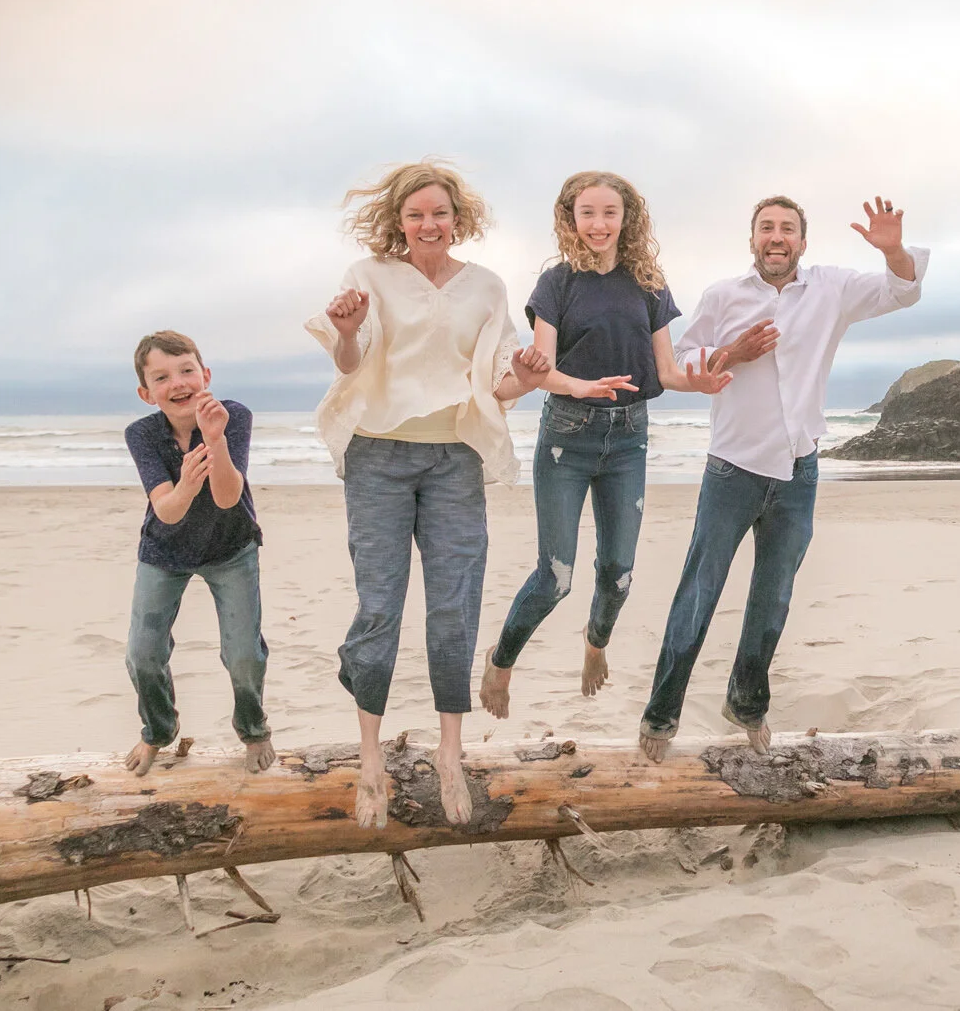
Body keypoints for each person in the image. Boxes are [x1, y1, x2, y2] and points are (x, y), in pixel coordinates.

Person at [638, 194, 926, 762]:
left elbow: (902, 291)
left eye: (787, 229)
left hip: (800, 470)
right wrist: (733, 351)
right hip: (732, 469)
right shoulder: (723, 296)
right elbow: (678, 366)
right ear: (752, 240)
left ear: (802, 240)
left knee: (773, 598)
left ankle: (747, 703)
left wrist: (893, 250)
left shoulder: (831, 288)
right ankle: (661, 713)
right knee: (699, 592)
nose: (777, 237)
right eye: (766, 228)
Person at [306, 160, 547, 829]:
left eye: (439, 212)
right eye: (415, 214)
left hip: (455, 459)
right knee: (379, 606)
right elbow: (351, 362)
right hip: (378, 454)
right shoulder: (369, 277)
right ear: (398, 222)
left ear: (457, 218)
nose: (429, 224)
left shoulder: (488, 288)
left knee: (453, 606)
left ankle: (450, 752)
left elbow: (495, 383)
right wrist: (349, 329)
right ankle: (370, 757)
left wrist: (524, 378)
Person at [478, 171, 731, 720]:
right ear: (571, 218)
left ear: (626, 218)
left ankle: (595, 644)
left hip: (628, 440)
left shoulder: (648, 282)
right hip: (566, 435)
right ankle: (501, 660)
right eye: (587, 213)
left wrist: (702, 383)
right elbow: (541, 370)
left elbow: (667, 371)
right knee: (556, 577)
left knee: (618, 573)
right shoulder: (556, 284)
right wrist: (580, 386)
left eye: (609, 213)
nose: (598, 224)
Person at [120, 330, 275, 776]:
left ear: (205, 375)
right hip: (164, 551)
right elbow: (166, 511)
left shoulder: (233, 416)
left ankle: (253, 727)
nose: (178, 383)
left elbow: (228, 497)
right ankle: (158, 731)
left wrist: (216, 438)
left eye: (187, 370)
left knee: (243, 652)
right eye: (162, 377)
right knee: (143, 653)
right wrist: (188, 482)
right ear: (147, 393)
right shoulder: (143, 435)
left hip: (231, 548)